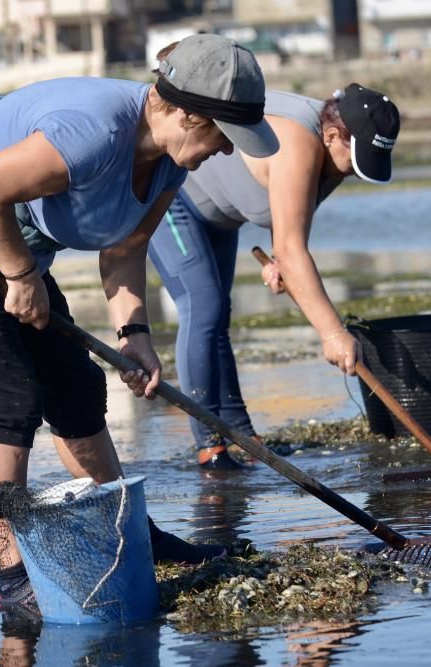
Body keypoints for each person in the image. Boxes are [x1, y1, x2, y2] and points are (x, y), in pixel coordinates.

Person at [0, 34, 279, 620]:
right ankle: (12, 573)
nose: (226, 152)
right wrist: (21, 274)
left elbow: (126, 247)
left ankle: (134, 537)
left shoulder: (172, 162)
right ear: (184, 113)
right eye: (224, 136)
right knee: (10, 405)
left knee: (75, 389)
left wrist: (134, 336)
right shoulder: (94, 130)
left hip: (10, 251)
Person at [147, 83, 400, 470]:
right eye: (355, 160)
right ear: (332, 135)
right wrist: (333, 333)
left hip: (219, 215)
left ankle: (241, 432)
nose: (352, 173)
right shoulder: (300, 141)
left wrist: (283, 262)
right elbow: (293, 249)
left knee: (218, 315)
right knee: (204, 307)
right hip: (172, 193)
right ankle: (210, 446)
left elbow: (289, 234)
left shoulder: (333, 152)